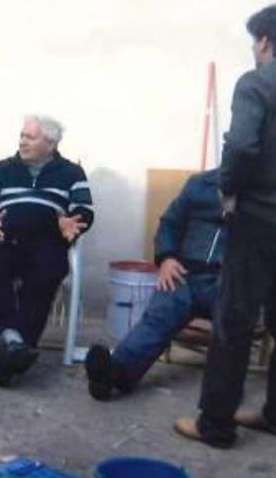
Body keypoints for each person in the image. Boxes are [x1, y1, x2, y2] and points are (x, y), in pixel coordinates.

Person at [176, 3, 276, 449]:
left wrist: (228, 188)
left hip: (258, 220)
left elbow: (241, 145)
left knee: (234, 322)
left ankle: (216, 424)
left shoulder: (258, 82)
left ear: (264, 41)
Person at [0, 114, 93, 387]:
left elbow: (84, 211)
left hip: (48, 241)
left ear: (50, 143)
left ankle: (7, 348)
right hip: (4, 238)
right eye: (22, 136)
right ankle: (17, 345)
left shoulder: (72, 173)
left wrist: (70, 224)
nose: (22, 141)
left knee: (45, 276)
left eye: (30, 137)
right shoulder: (2, 168)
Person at [86, 169, 223, 401]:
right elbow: (170, 223)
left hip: (231, 279)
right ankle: (115, 373)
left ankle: (222, 400)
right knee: (159, 317)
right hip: (185, 273)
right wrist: (167, 257)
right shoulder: (200, 184)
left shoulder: (267, 195)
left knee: (233, 325)